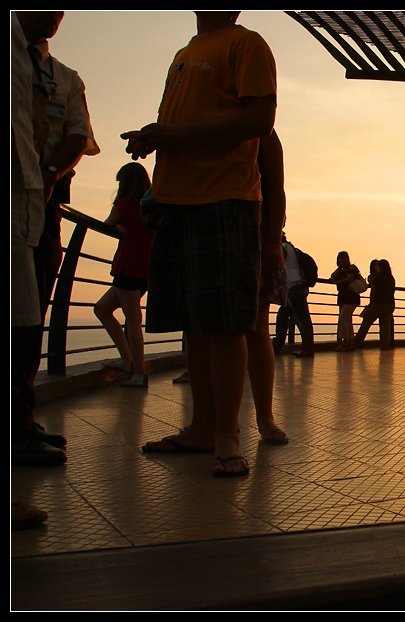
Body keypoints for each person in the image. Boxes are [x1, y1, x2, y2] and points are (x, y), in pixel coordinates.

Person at [125, 11, 277, 478]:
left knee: (226, 322)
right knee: (194, 319)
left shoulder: (247, 44)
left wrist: (172, 134)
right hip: (176, 200)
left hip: (223, 196)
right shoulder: (184, 55)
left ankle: (228, 434)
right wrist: (156, 137)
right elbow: (184, 122)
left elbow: (259, 117)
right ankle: (202, 425)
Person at [13, 11, 99, 468]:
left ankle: (20, 420)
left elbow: (78, 137)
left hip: (41, 203)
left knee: (32, 313)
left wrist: (47, 175)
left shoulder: (64, 78)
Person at [94, 163, 154, 387]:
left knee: (132, 320)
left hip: (127, 267)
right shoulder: (150, 205)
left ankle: (138, 373)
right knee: (102, 308)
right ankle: (127, 361)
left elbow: (106, 225)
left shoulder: (124, 205)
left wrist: (117, 227)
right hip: (145, 269)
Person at [248, 130, 288, 444]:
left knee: (256, 327)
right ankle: (217, 420)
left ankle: (265, 416)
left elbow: (276, 188)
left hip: (255, 234)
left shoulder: (263, 132)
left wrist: (272, 239)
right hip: (243, 231)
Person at [277, 231, 317, 358]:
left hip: (294, 288)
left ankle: (308, 349)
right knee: (282, 316)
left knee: (302, 320)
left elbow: (276, 265)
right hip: (295, 288)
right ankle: (278, 345)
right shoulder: (291, 247)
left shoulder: (282, 248)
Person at [356, 259, 396, 349]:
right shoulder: (391, 278)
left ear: (380, 267)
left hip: (378, 303)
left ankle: (357, 342)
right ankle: (385, 345)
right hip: (389, 304)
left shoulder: (377, 277)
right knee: (385, 327)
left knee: (366, 323)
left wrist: (371, 302)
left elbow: (373, 290)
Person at [331, 251, 362, 351]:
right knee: (347, 319)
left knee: (343, 319)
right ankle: (350, 341)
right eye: (341, 258)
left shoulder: (352, 268)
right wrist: (339, 268)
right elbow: (332, 276)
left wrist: (336, 282)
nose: (344, 260)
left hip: (351, 298)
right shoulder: (341, 270)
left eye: (345, 258)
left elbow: (349, 279)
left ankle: (344, 342)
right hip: (343, 298)